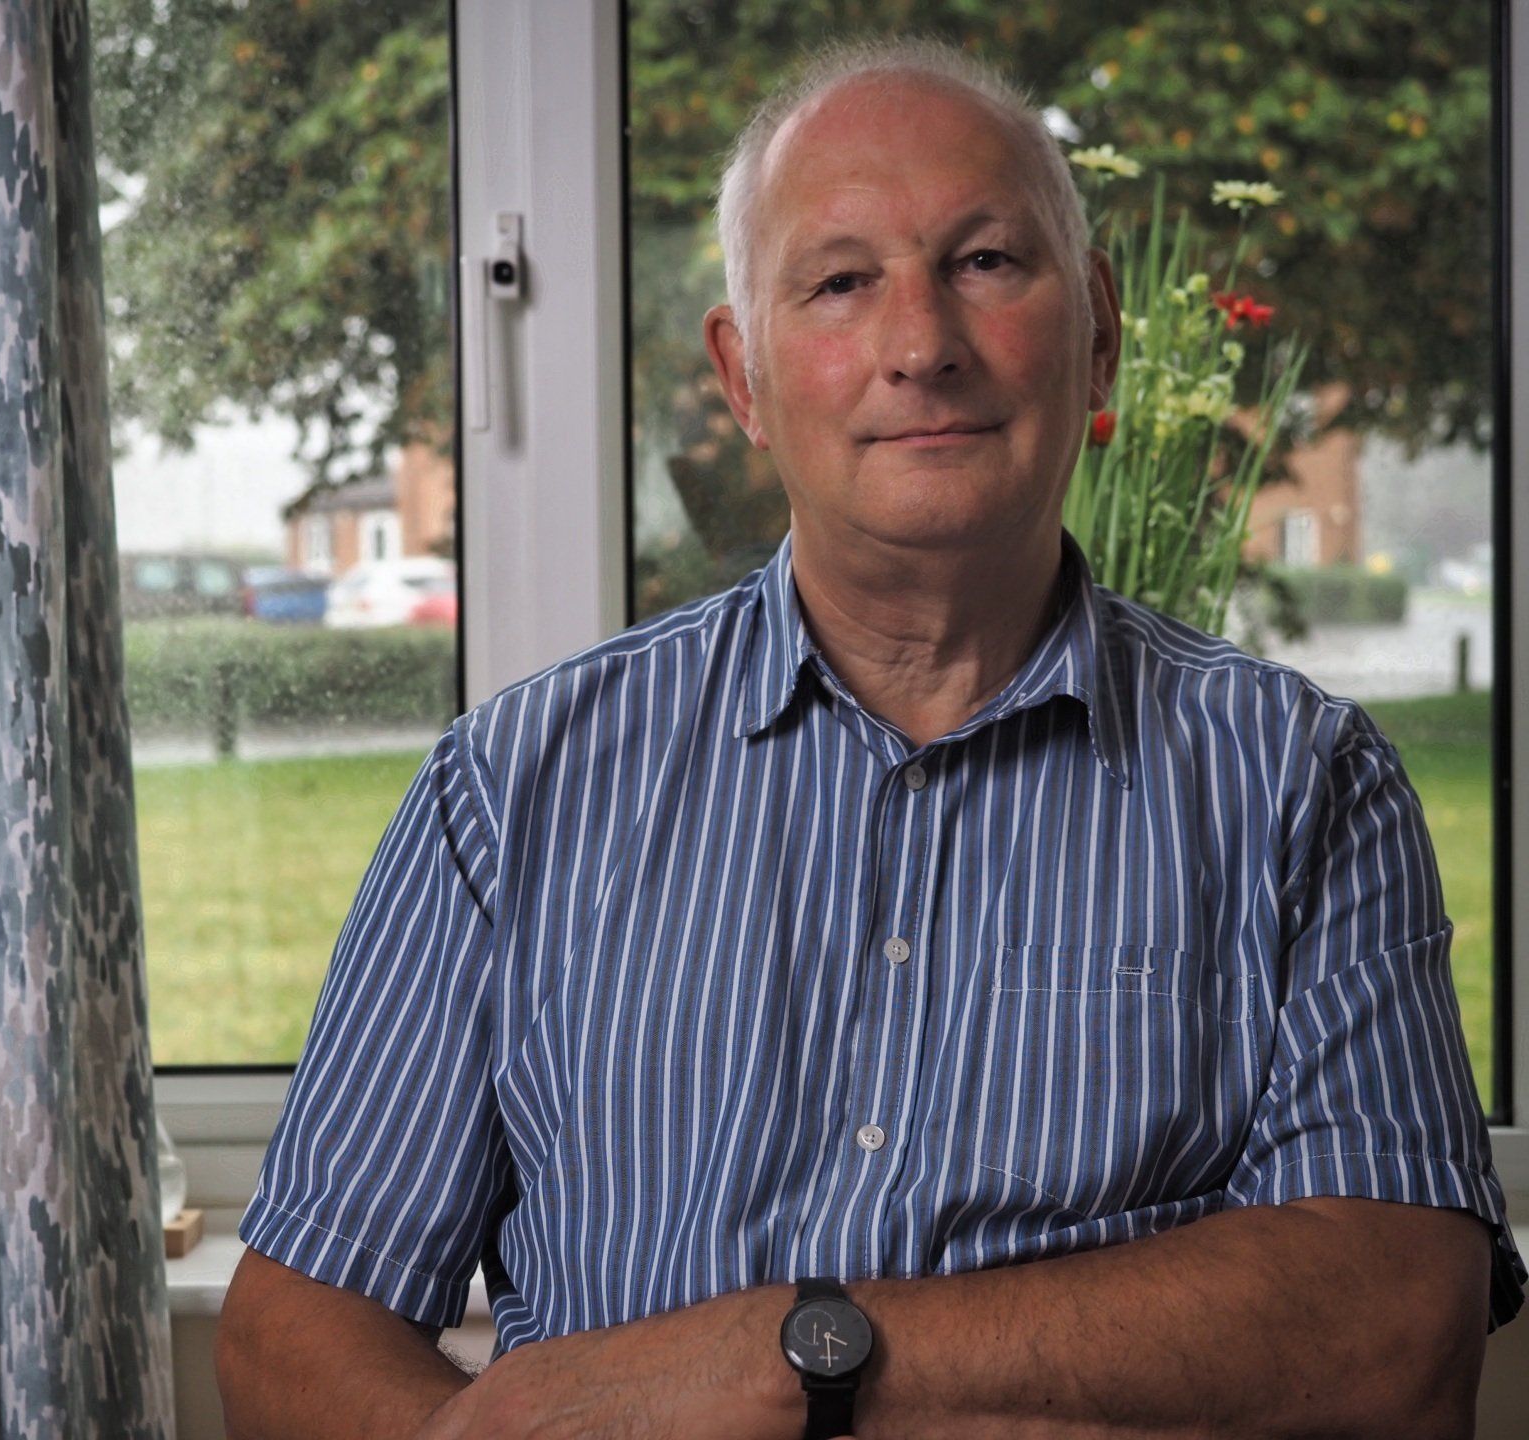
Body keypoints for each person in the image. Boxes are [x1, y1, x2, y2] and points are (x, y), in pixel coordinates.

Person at [215, 34, 1525, 1440]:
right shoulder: (513, 786)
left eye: (986, 262)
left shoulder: (1303, 784)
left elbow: (1398, 1332)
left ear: (1099, 334)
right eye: (841, 283)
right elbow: (292, 1332)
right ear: (744, 378)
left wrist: (779, 1356)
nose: (922, 346)